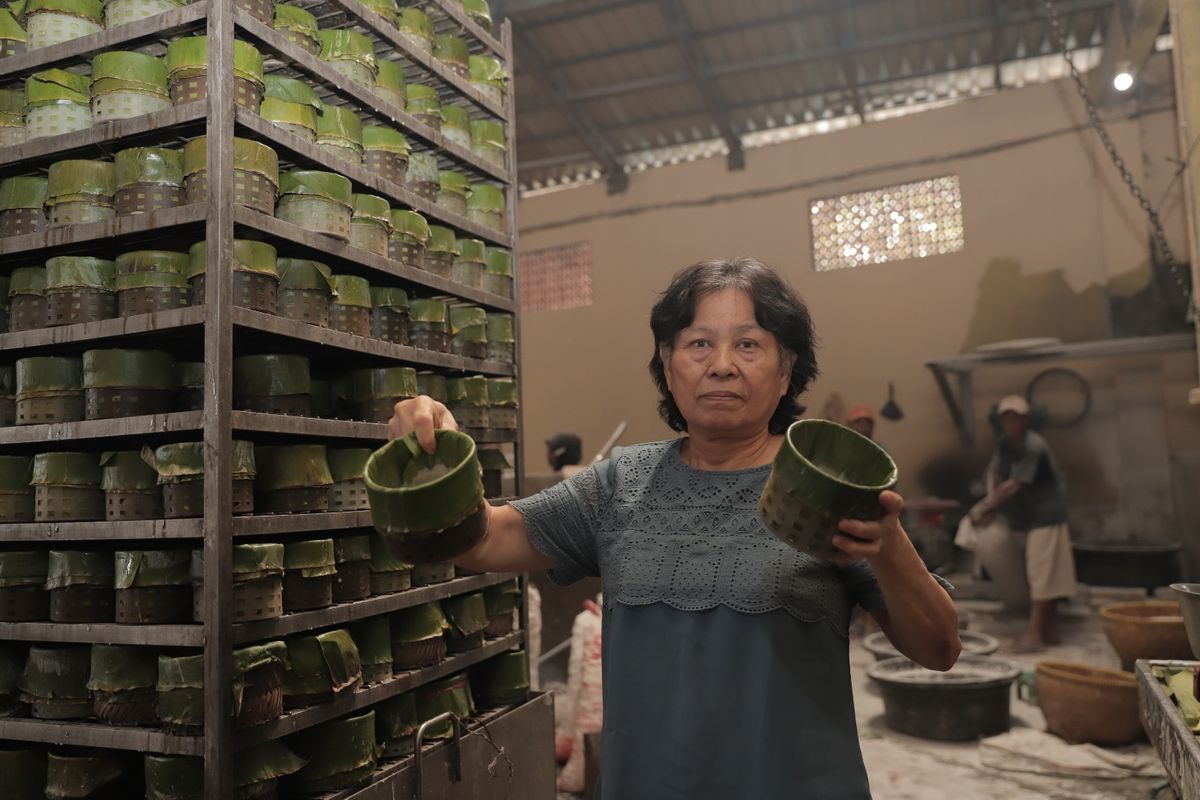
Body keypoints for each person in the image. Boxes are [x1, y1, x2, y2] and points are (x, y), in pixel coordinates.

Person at [389, 258, 961, 800]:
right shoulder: (620, 485)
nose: (721, 364)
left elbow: (939, 649)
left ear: (786, 370)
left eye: (748, 344)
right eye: (698, 343)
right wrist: (430, 456)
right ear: (668, 364)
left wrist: (890, 548)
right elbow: (483, 539)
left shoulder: (821, 488)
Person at [958, 395, 1075, 651]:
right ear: (1001, 421)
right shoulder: (1006, 443)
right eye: (1006, 418)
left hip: (1047, 515)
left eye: (1016, 418)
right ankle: (1049, 631)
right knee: (1044, 574)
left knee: (1042, 574)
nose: (1011, 423)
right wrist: (990, 497)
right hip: (1031, 517)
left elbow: (1013, 486)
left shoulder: (1034, 445)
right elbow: (995, 472)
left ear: (1025, 420)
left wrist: (985, 507)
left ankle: (1034, 635)